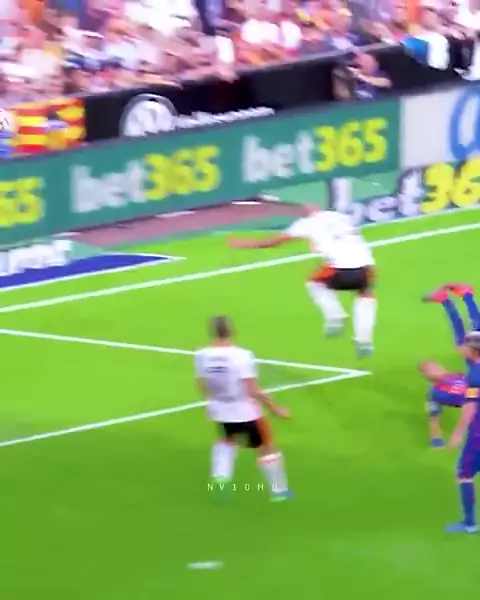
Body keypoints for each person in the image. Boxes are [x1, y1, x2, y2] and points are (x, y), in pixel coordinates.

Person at [228, 205, 377, 357]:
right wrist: (316, 244)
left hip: (340, 268)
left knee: (314, 283)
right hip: (366, 267)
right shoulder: (340, 217)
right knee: (366, 295)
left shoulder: (305, 223)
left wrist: (245, 244)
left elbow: (274, 242)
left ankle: (335, 316)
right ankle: (364, 341)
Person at [195, 316, 292, 501]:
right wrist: (275, 408)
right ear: (231, 331)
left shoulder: (201, 355)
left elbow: (202, 385)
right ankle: (279, 491)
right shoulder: (242, 355)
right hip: (246, 412)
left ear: (213, 332)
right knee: (266, 447)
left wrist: (217, 400)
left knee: (227, 440)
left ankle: (221, 481)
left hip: (219, 411)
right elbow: (253, 390)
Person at [420, 284, 480, 447]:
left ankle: (459, 297)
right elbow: (433, 416)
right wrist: (436, 439)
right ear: (427, 377)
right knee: (469, 335)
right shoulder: (436, 393)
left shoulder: (459, 375)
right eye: (430, 368)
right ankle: (460, 296)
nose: (437, 367)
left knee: (465, 337)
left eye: (434, 365)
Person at [446, 330, 480, 534]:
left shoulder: (475, 375)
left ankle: (469, 523)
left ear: (473, 351)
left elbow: (470, 407)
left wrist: (458, 433)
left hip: (478, 434)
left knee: (464, 473)